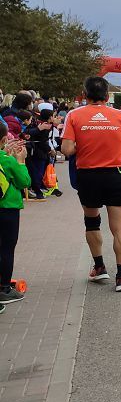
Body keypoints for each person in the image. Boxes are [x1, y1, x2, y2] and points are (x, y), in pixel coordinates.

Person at [61, 76, 121, 292]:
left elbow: (67, 150)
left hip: (88, 176)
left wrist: (86, 143)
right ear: (107, 96)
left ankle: (99, 267)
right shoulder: (119, 115)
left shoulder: (74, 115)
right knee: (119, 228)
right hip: (115, 174)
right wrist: (115, 142)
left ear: (85, 94)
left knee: (92, 222)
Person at [0, 121, 31, 308]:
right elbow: (24, 181)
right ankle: (4, 288)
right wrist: (20, 161)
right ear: (4, 139)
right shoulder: (8, 160)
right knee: (6, 248)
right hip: (8, 208)